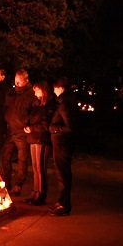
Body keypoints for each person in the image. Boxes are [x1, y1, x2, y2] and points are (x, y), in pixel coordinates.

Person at [0, 69, 35, 196]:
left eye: (20, 82)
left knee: (22, 159)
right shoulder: (11, 93)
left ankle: (18, 184)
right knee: (5, 156)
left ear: (26, 81)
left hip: (22, 132)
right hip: (11, 130)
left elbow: (34, 112)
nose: (17, 85)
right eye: (16, 82)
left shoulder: (31, 94)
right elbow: (6, 107)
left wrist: (28, 123)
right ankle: (6, 182)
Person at [23, 81, 56, 206]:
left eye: (37, 90)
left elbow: (45, 124)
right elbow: (31, 118)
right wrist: (27, 125)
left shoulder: (48, 106)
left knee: (41, 167)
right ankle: (35, 192)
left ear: (43, 91)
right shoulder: (37, 105)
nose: (35, 93)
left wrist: (32, 128)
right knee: (35, 167)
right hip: (33, 138)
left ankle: (41, 194)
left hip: (42, 139)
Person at [48, 77, 77, 216]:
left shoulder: (64, 103)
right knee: (61, 173)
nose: (53, 90)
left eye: (55, 88)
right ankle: (62, 201)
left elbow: (70, 126)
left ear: (61, 88)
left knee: (63, 173)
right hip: (60, 142)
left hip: (62, 143)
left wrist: (53, 129)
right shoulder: (63, 102)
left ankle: (65, 205)